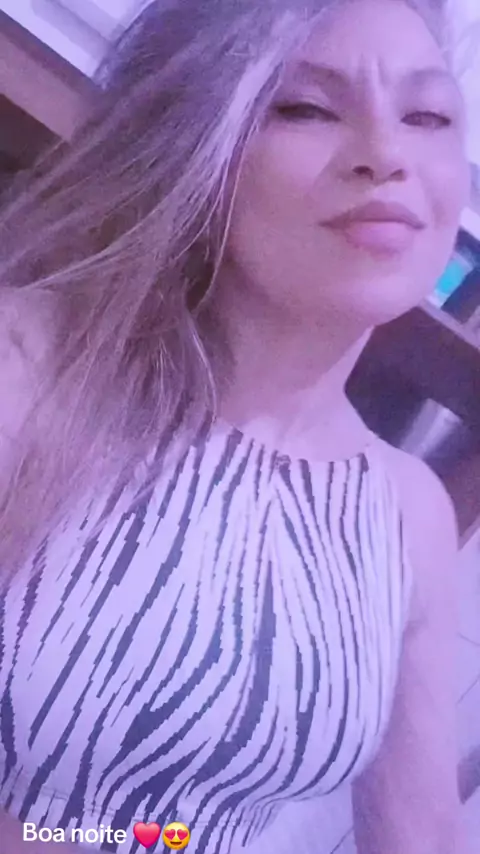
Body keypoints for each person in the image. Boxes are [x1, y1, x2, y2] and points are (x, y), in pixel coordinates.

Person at [0, 0, 472, 852]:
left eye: (428, 116)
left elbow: (423, 833)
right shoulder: (25, 367)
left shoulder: (408, 514)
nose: (388, 153)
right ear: (195, 138)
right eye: (308, 108)